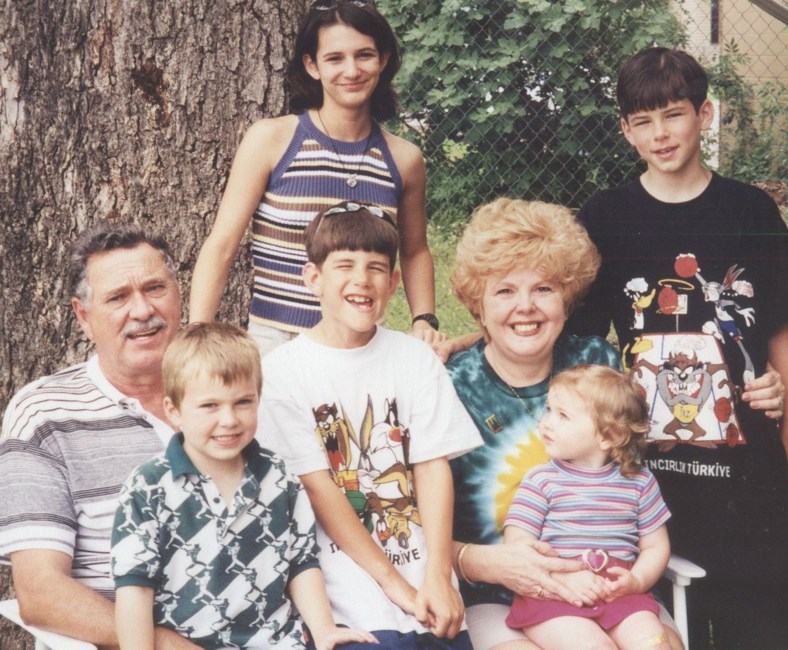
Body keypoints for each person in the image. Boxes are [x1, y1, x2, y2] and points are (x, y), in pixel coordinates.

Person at [566, 47, 788, 649]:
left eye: (674, 114)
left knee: (759, 624)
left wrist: (781, 396)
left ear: (704, 114)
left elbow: (778, 330)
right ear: (625, 130)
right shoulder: (604, 216)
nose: (660, 134)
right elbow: (574, 335)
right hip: (647, 474)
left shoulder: (751, 210)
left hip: (748, 475)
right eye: (643, 121)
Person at [258, 201, 483, 648]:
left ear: (394, 283)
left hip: (427, 580)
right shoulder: (281, 372)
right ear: (313, 278)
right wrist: (394, 586)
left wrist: (438, 576)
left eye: (376, 268)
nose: (362, 279)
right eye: (344, 265)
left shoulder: (414, 358)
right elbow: (319, 489)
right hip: (345, 594)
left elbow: (432, 467)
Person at [189, 0, 443, 353]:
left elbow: (415, 250)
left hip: (362, 342)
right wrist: (196, 334)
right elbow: (222, 243)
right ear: (312, 65)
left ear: (383, 60)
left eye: (364, 55)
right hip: (277, 340)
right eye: (335, 58)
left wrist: (424, 319)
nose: (351, 70)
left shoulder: (403, 158)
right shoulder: (273, 140)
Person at [441, 198, 639, 650]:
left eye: (544, 289)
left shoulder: (596, 364)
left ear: (567, 298)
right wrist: (488, 563)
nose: (525, 307)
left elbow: (631, 480)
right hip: (495, 598)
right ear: (478, 304)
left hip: (605, 590)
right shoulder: (450, 387)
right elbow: (416, 534)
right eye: (504, 291)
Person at [111, 322, 376, 649]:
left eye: (243, 402)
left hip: (279, 642)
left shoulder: (278, 476)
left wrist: (324, 631)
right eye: (210, 405)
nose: (229, 420)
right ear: (174, 411)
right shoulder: (148, 488)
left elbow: (301, 564)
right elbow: (135, 590)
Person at [0, 224, 194, 648]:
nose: (142, 310)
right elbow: (40, 592)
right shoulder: (45, 414)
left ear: (178, 295)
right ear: (84, 317)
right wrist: (166, 645)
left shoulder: (233, 393)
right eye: (118, 297)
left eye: (155, 288)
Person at [504, 365, 671, 650]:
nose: (546, 423)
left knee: (654, 644)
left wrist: (637, 580)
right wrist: (562, 578)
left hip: (619, 594)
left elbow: (656, 546)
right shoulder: (541, 480)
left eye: (563, 415)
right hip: (556, 595)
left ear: (608, 436)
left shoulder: (639, 481)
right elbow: (517, 545)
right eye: (548, 410)